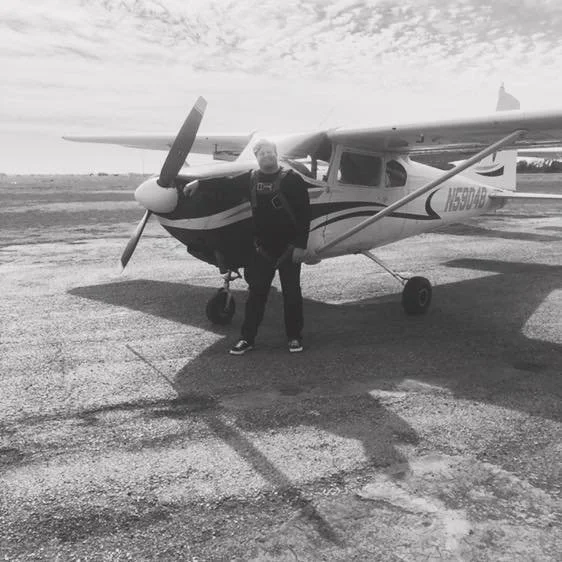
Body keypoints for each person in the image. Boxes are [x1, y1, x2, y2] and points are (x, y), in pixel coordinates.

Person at [229, 139, 311, 355]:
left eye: (269, 152)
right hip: (262, 249)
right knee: (256, 295)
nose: (266, 155)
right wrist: (196, 184)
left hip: (289, 248)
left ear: (276, 154)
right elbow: (225, 185)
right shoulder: (251, 178)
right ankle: (247, 339)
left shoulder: (292, 179)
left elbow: (304, 214)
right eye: (262, 153)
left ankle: (294, 337)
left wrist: (301, 246)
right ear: (257, 158)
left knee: (292, 295)